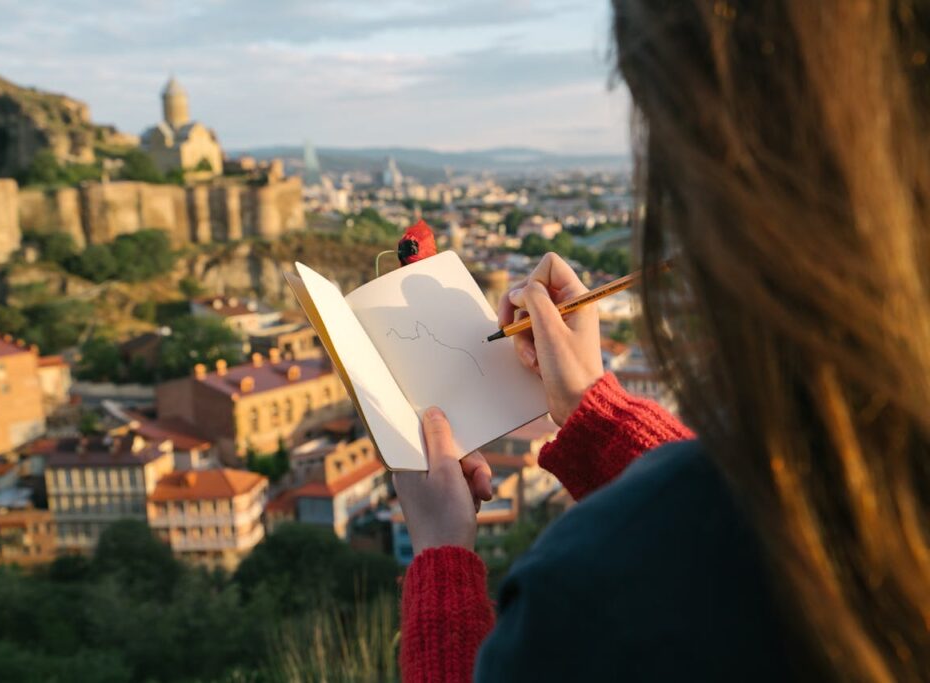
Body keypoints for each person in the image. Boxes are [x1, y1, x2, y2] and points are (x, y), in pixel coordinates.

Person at [394, 2, 930, 681]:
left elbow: (737, 536)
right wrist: (594, 409)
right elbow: (776, 515)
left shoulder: (591, 604)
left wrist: (442, 555)